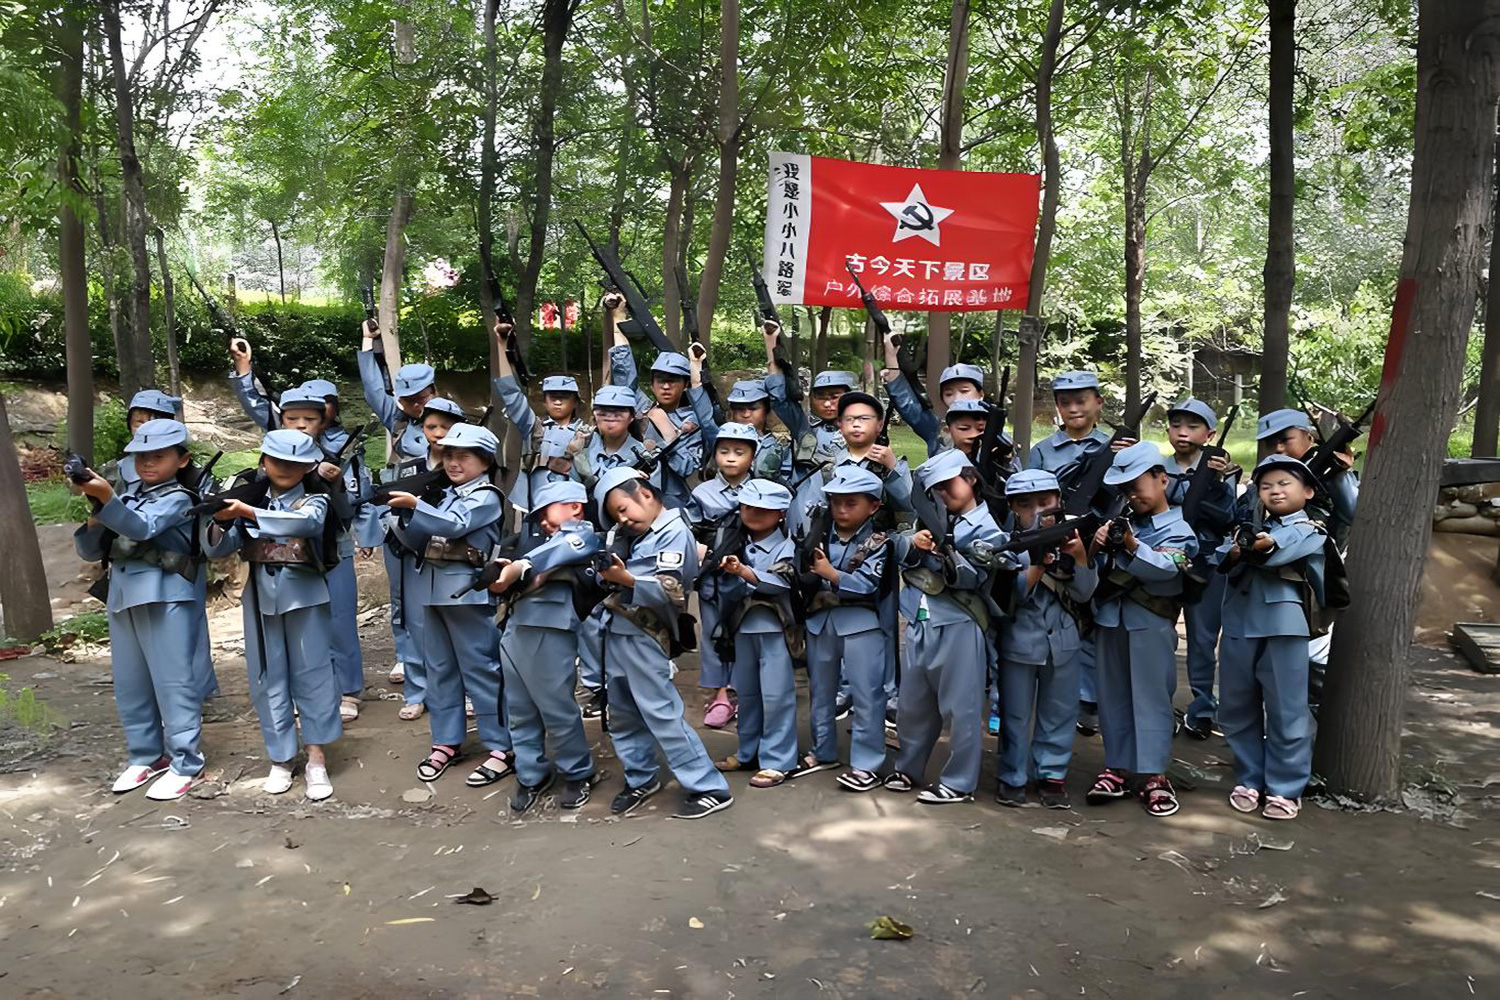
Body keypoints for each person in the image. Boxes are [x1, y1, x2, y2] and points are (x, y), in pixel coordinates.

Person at [71, 419, 207, 801]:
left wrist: (108, 499)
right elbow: (89, 550)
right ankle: (146, 755)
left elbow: (143, 528)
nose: (147, 463)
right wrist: (97, 509)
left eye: (158, 456)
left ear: (182, 460)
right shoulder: (127, 495)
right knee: (131, 684)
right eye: (141, 456)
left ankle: (186, 762)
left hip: (165, 595)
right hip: (123, 594)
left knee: (173, 682)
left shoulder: (180, 497)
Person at [203, 429, 342, 801]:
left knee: (313, 674)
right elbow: (220, 548)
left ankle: (316, 756)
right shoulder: (247, 496)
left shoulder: (314, 499)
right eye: (277, 460)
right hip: (260, 597)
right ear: (263, 461)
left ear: (307, 466)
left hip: (305, 594)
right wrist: (219, 520)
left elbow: (307, 524)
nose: (284, 468)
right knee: (267, 676)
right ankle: (280, 756)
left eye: (295, 463)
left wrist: (248, 511)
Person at [593, 467, 733, 820]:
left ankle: (708, 786)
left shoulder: (673, 532)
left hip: (646, 632)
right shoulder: (631, 535)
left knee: (661, 713)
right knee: (622, 714)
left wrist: (623, 577)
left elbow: (670, 591)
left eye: (624, 508)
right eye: (616, 515)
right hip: (619, 631)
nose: (623, 519)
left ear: (646, 494)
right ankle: (641, 777)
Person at [387, 423, 513, 788]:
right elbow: (415, 536)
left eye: (464, 456)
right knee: (438, 670)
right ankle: (446, 741)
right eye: (449, 456)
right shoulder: (439, 493)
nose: (454, 463)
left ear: (485, 461)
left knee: (481, 670)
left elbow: (457, 525)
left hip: (467, 591)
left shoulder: (487, 495)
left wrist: (417, 505)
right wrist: (401, 513)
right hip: (429, 588)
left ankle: (501, 746)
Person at [885, 451, 1007, 805]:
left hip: (961, 622)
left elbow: (976, 578)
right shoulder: (934, 518)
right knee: (912, 705)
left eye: (947, 485)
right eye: (935, 489)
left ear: (969, 479)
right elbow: (897, 548)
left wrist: (947, 553)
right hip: (922, 620)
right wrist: (915, 542)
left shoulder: (987, 527)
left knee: (961, 708)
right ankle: (908, 768)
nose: (942, 494)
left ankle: (959, 782)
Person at [1213, 455, 1330, 822]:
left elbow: (1282, 547)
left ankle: (1284, 787)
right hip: (1237, 623)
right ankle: (1249, 777)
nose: (1275, 491)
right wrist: (1238, 545)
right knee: (1234, 705)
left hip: (1284, 626)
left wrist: (1258, 544)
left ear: (1308, 491)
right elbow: (1222, 556)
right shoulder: (1246, 525)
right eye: (1266, 486)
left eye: (1285, 483)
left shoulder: (1311, 529)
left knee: (1287, 710)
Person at [1085, 441, 1197, 819]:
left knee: (1150, 699)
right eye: (1125, 487)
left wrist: (1132, 547)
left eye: (1138, 484)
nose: (1132, 493)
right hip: (1110, 619)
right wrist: (1097, 546)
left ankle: (1152, 774)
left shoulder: (1180, 528)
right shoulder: (1119, 521)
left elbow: (1168, 568)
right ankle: (1115, 766)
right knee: (1111, 696)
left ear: (1162, 479)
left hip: (1150, 622)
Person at [1027, 370, 1132, 739]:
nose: (1073, 408)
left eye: (1082, 400)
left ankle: (1089, 700)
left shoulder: (1116, 447)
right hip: (1056, 546)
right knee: (1058, 618)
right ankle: (1049, 695)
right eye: (1065, 401)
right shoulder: (1043, 450)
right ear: (1057, 406)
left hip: (1100, 544)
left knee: (1095, 620)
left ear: (1098, 403)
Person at [490, 480, 604, 812]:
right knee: (520, 711)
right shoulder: (535, 538)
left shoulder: (582, 536)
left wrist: (518, 567)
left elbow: (563, 550)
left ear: (575, 507)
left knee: (556, 710)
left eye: (547, 510)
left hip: (551, 628)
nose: (540, 519)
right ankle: (531, 772)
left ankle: (578, 772)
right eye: (536, 514)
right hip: (515, 626)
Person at [995, 469, 1098, 809]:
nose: (1036, 511)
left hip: (1063, 642)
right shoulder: (1006, 544)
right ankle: (1012, 776)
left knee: (1060, 712)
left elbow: (1084, 594)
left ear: (1058, 501)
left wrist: (1080, 556)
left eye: (1045, 502)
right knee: (1015, 714)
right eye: (1025, 505)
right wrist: (1037, 563)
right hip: (1019, 641)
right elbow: (1009, 597)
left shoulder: (1072, 539)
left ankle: (1052, 775)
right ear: (1013, 508)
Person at [271, 386, 370, 724]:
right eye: (292, 419)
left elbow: (346, 513)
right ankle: (309, 691)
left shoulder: (334, 458)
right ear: (281, 421)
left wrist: (337, 483)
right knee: (300, 626)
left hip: (334, 551)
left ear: (322, 421)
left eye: (309, 419)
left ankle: (349, 689)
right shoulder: (270, 460)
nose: (300, 425)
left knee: (340, 619)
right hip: (288, 556)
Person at [793, 466, 894, 791]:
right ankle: (823, 750)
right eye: (837, 502)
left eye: (851, 503)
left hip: (861, 624)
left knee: (867, 695)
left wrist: (830, 573)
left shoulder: (878, 541)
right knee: (821, 692)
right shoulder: (820, 534)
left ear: (873, 506)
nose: (841, 510)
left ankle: (867, 764)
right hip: (821, 621)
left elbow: (867, 584)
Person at [356, 321, 441, 694]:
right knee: (400, 600)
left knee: (434, 600)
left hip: (436, 522)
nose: (415, 406)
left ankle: (438, 665)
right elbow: (375, 391)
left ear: (434, 391)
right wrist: (367, 343)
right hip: (397, 523)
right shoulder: (399, 422)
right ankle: (407, 659)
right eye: (408, 400)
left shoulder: (452, 426)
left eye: (421, 397)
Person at [711, 479, 801, 788]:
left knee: (777, 697)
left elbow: (781, 583)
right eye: (748, 506)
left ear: (780, 514)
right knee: (747, 694)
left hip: (775, 629)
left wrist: (743, 571)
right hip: (741, 628)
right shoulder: (733, 541)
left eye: (763, 509)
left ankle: (778, 760)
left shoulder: (787, 546)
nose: (753, 513)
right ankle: (748, 751)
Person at [383, 396, 468, 718]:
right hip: (405, 549)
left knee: (457, 624)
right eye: (432, 426)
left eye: (446, 426)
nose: (438, 433)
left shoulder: (464, 468)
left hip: (451, 556)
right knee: (411, 620)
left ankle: (465, 690)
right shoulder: (408, 467)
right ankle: (417, 690)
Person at [570, 384, 650, 720]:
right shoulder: (582, 453)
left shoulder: (645, 452)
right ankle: (595, 685)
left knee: (633, 610)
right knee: (589, 615)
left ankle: (636, 680)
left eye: (617, 413)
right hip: (593, 538)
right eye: (603, 412)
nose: (610, 418)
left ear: (631, 416)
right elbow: (574, 497)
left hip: (633, 541)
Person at [1163, 398, 1240, 740]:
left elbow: (1230, 518)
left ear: (1209, 434)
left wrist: (1220, 482)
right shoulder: (1156, 468)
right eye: (1176, 424)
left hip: (1206, 563)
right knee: (1160, 634)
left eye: (1192, 426)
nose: (1182, 432)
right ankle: (1158, 705)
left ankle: (1203, 708)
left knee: (1203, 638)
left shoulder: (1223, 473)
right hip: (1163, 559)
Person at [687, 422, 763, 729]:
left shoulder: (762, 489)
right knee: (714, 633)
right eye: (724, 451)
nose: (731, 458)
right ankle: (720, 693)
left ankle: (746, 692)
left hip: (749, 574)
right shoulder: (702, 493)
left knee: (748, 633)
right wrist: (701, 551)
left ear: (753, 457)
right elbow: (689, 530)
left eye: (739, 452)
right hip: (714, 578)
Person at [604, 296, 704, 510]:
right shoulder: (643, 407)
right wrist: (618, 317)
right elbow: (624, 374)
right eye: (660, 380)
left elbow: (687, 467)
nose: (666, 386)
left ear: (685, 384)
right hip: (635, 502)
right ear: (652, 384)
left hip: (677, 507)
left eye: (673, 381)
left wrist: (668, 432)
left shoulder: (695, 419)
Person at [760, 322, 850, 475]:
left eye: (834, 397)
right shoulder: (803, 426)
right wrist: (771, 343)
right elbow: (779, 399)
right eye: (820, 398)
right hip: (810, 493)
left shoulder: (859, 425)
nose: (828, 403)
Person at [700, 379, 789, 481]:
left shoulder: (780, 444)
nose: (746, 414)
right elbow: (706, 421)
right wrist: (696, 384)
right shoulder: (722, 437)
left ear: (766, 409)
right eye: (739, 408)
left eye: (753, 408)